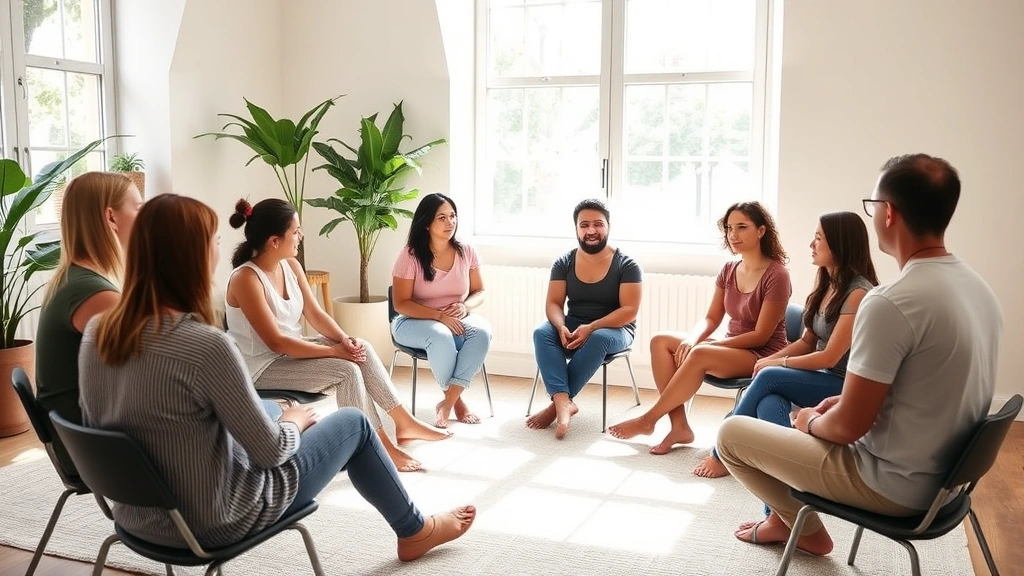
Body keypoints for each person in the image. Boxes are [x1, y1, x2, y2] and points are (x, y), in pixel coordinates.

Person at [78, 193, 475, 559]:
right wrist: (293, 421)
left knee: (269, 407)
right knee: (352, 423)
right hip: (219, 520)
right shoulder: (208, 346)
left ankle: (398, 427)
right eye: (213, 241)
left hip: (138, 521)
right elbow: (271, 452)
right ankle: (414, 529)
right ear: (193, 256)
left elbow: (105, 423)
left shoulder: (98, 332)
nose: (219, 251)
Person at [717, 154, 1001, 557]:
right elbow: (923, 383)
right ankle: (784, 521)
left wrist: (810, 420)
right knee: (776, 405)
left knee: (730, 436)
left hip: (892, 485)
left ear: (888, 213)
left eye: (873, 205)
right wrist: (839, 402)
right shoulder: (979, 290)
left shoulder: (890, 302)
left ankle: (809, 531)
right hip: (944, 482)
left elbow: (848, 428)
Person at [225, 198, 449, 474]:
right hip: (260, 367)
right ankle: (376, 450)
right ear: (274, 241)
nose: (301, 236)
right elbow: (276, 342)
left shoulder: (290, 266)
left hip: (289, 353)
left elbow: (315, 314)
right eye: (295, 231)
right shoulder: (245, 279)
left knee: (360, 347)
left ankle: (403, 421)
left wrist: (344, 341)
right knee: (346, 370)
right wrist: (335, 352)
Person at [693, 211, 878, 478]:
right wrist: (772, 359)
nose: (811, 245)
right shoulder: (827, 284)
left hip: (845, 384)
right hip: (824, 377)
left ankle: (720, 453)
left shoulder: (858, 293)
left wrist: (776, 362)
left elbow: (828, 357)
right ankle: (786, 480)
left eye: (818, 238)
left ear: (840, 243)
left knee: (768, 376)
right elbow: (806, 341)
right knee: (770, 401)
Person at [609, 201, 792, 454]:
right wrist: (694, 338)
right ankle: (679, 427)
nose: (733, 235)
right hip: (732, 348)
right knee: (660, 341)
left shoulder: (777, 274)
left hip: (763, 354)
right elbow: (711, 318)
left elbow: (761, 336)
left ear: (761, 231)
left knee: (700, 353)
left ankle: (648, 419)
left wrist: (711, 344)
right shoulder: (729, 269)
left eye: (742, 227)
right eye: (729, 228)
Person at [35, 172, 143, 471]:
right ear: (111, 217)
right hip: (94, 449)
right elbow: (152, 366)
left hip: (82, 437)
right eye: (138, 206)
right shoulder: (93, 293)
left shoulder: (75, 279)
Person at [526, 199, 642, 439]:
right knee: (542, 332)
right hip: (574, 323)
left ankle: (555, 407)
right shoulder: (564, 262)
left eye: (598, 224)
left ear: (608, 226)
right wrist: (559, 326)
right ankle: (562, 401)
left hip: (615, 329)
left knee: (598, 337)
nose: (591, 230)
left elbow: (630, 310)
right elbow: (554, 304)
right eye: (584, 225)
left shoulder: (627, 264)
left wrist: (592, 326)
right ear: (576, 228)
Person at [391, 193, 491, 429]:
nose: (450, 223)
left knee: (481, 333)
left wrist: (465, 306)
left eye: (453, 216)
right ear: (427, 223)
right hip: (411, 321)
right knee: (440, 335)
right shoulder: (410, 255)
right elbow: (401, 303)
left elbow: (480, 291)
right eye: (442, 218)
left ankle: (446, 402)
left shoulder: (466, 251)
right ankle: (457, 403)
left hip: (455, 319)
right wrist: (439, 316)